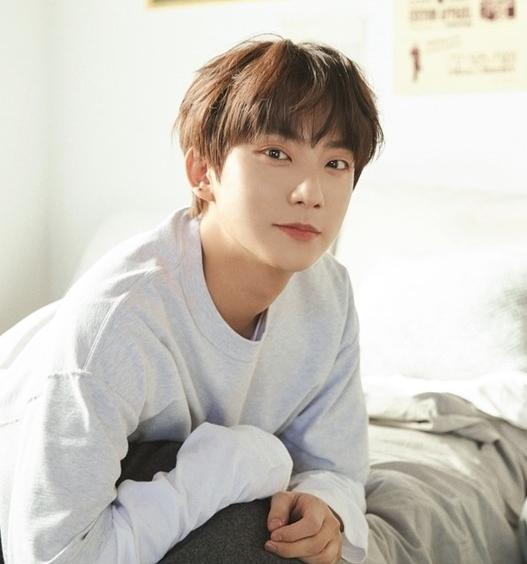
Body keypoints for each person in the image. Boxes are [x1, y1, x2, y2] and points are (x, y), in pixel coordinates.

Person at [0, 35, 383, 564]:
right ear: (203, 173)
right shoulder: (118, 323)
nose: (310, 193)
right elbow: (54, 555)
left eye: (336, 163)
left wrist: (325, 505)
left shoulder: (329, 294)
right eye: (276, 154)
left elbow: (337, 467)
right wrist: (230, 465)